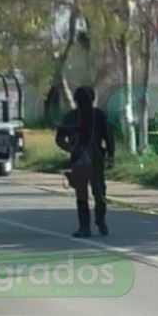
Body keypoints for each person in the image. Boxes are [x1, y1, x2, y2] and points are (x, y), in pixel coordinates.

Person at [55, 87, 115, 238]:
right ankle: (92, 224)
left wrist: (70, 148)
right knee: (95, 193)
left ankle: (90, 225)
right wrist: (110, 153)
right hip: (84, 160)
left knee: (90, 194)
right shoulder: (76, 116)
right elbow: (109, 137)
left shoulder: (93, 115)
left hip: (91, 159)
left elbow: (59, 139)